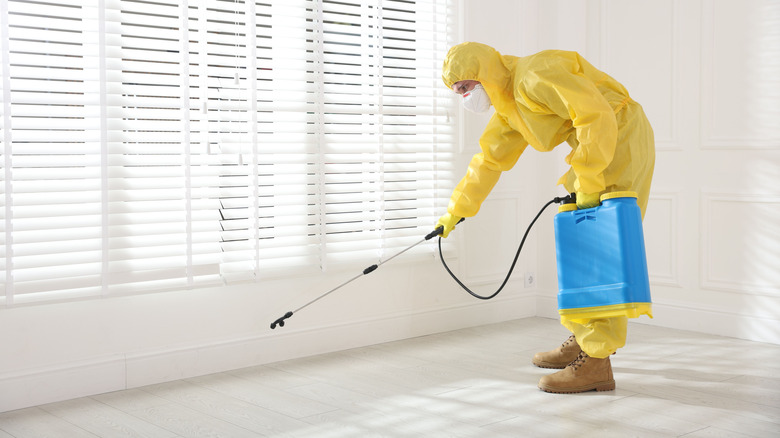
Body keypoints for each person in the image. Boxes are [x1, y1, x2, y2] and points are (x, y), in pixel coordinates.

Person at [437, 42, 655, 393]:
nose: (464, 97)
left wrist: (587, 179)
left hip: (619, 135)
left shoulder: (535, 75)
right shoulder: (510, 109)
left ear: (483, 73)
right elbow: (488, 162)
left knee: (599, 250)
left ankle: (596, 362)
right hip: (598, 145)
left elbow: (594, 115)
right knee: (582, 246)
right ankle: (585, 341)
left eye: (464, 86)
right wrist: (454, 213)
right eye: (457, 92)